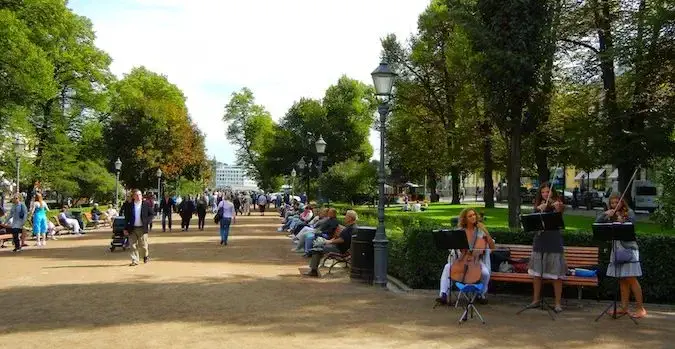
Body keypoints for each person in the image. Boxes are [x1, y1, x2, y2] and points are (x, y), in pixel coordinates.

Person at [596, 193, 646, 318]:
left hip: (629, 249)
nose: (614, 205)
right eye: (612, 203)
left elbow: (632, 225)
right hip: (617, 249)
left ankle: (641, 308)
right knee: (622, 279)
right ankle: (624, 308)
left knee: (631, 278)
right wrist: (605, 215)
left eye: (616, 202)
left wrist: (622, 220)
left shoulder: (629, 212)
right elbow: (597, 223)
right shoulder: (610, 213)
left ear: (622, 202)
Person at [436, 208, 495, 305]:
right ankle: (443, 294)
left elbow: (492, 247)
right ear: (465, 219)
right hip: (461, 260)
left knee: (485, 273)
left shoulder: (481, 231)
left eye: (474, 215)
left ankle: (481, 294)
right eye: (470, 216)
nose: (473, 217)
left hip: (476, 261)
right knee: (447, 267)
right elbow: (454, 248)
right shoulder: (460, 232)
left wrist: (486, 232)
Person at [525, 182, 566, 313]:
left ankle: (558, 303)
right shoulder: (538, 206)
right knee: (537, 274)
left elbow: (560, 213)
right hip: (540, 241)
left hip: (553, 241)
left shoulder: (557, 204)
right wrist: (538, 210)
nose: (545, 194)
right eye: (543, 192)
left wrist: (557, 208)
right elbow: (531, 222)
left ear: (552, 192)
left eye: (548, 192)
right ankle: (536, 300)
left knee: (556, 275)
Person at [304, 210, 358, 277]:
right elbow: (341, 238)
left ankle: (313, 270)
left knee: (317, 249)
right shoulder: (350, 226)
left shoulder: (352, 228)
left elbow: (342, 240)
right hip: (337, 247)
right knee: (318, 247)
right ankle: (311, 262)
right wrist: (330, 241)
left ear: (350, 218)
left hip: (340, 250)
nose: (344, 218)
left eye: (346, 216)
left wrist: (330, 241)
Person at [123, 189, 154, 266]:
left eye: (140, 195)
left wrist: (147, 221)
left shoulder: (145, 204)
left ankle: (145, 256)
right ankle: (135, 260)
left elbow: (152, 214)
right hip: (132, 228)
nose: (138, 196)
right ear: (133, 196)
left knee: (143, 245)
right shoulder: (129, 206)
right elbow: (126, 218)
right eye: (136, 195)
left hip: (142, 228)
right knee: (132, 245)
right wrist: (125, 228)